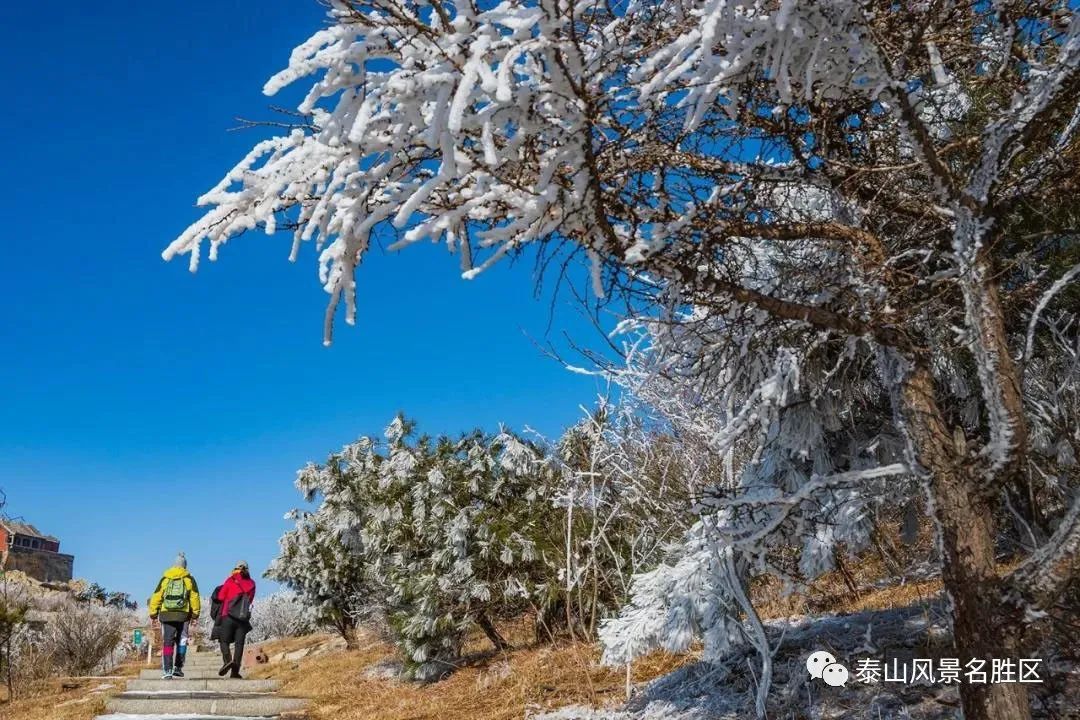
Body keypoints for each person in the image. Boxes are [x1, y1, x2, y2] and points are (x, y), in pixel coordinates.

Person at [148, 552, 201, 679]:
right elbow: (194, 597)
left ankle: (167, 670)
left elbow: (156, 596)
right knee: (182, 641)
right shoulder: (189, 579)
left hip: (166, 615)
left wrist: (153, 614)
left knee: (168, 642)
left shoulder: (165, 578)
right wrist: (195, 614)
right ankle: (178, 667)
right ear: (185, 566)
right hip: (183, 615)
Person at [214, 560, 256, 679]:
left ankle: (228, 660)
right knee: (239, 645)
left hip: (227, 615)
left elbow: (221, 596)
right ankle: (235, 672)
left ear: (235, 568)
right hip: (242, 617)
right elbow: (250, 600)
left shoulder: (230, 580)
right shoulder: (252, 583)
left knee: (224, 641)